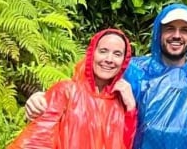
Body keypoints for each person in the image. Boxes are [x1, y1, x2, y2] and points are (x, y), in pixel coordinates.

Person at [24, 4, 187, 149]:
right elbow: (88, 85)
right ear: (158, 33)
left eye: (184, 30)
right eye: (170, 28)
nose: (177, 35)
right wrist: (43, 99)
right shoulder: (135, 70)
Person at [8, 28, 138, 149]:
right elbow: (37, 140)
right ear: (92, 53)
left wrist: (131, 108)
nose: (109, 59)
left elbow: (128, 144)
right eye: (103, 51)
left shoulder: (121, 100)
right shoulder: (66, 91)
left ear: (124, 61)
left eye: (117, 54)